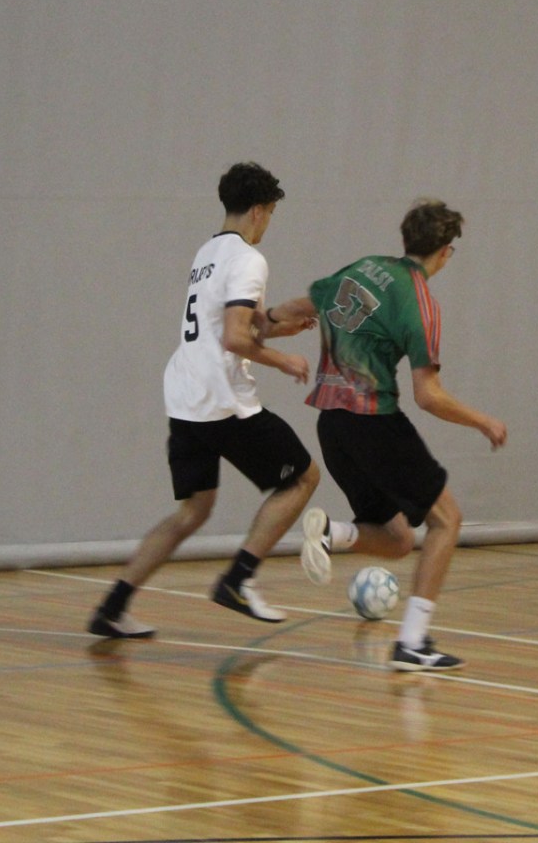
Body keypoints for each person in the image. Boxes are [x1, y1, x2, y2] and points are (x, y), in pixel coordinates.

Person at [88, 162, 322, 640]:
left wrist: (282, 328)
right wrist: (284, 360)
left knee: (193, 512)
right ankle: (238, 580)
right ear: (258, 211)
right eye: (271, 213)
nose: (269, 223)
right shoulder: (250, 259)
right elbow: (235, 338)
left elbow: (238, 324)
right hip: (222, 400)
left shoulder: (208, 253)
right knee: (302, 478)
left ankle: (111, 608)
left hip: (185, 397)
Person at [294, 199, 507, 672]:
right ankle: (412, 642)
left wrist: (265, 323)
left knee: (396, 539)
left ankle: (331, 533)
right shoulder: (420, 303)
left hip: (331, 425)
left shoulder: (365, 267)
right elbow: (428, 396)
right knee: (447, 521)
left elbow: (308, 303)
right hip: (373, 422)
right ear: (445, 252)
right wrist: (482, 421)